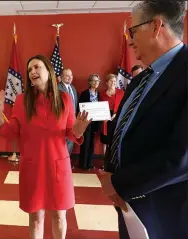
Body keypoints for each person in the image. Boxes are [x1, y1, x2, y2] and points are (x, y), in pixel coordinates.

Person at [100, 1, 188, 238]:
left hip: (166, 213)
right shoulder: (139, 81)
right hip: (128, 206)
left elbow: (181, 157)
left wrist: (120, 182)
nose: (129, 40)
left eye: (133, 31)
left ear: (157, 26)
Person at [0, 55, 91, 239]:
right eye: (29, 70)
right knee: (36, 216)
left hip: (58, 167)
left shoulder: (65, 99)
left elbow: (70, 131)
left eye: (37, 67)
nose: (32, 72)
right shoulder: (22, 100)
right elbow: (12, 131)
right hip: (33, 167)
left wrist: (78, 130)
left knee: (60, 215)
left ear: (49, 72)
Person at [78, 74, 101, 170]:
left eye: (98, 81)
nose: (96, 83)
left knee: (92, 143)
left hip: (95, 121)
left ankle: (90, 163)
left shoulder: (98, 94)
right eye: (94, 81)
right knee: (85, 142)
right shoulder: (84, 93)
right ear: (90, 82)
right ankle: (83, 164)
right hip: (86, 121)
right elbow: (80, 107)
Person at [58, 68, 78, 167]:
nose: (70, 77)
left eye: (71, 75)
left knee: (71, 141)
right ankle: (61, 163)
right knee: (62, 143)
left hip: (73, 120)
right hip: (62, 121)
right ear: (61, 77)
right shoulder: (58, 88)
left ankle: (66, 163)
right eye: (67, 75)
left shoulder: (73, 88)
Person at [99, 74, 124, 153]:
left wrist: (116, 114)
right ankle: (104, 162)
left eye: (114, 81)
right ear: (107, 82)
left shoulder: (121, 92)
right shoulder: (101, 93)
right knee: (105, 140)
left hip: (116, 117)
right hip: (105, 118)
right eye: (111, 81)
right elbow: (99, 106)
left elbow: (123, 105)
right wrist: (103, 117)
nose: (113, 82)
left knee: (114, 139)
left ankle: (112, 159)